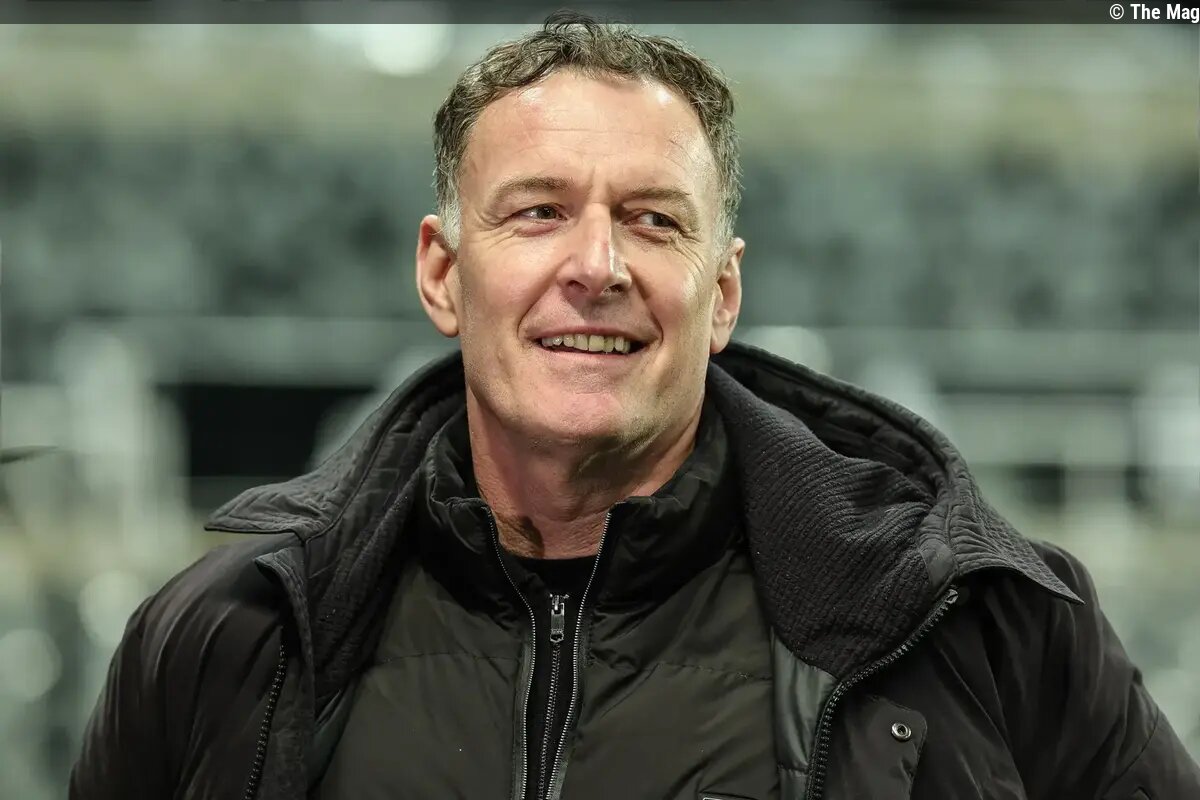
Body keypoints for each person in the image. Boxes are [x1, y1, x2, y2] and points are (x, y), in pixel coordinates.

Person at [70, 13, 1199, 800]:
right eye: (538, 211)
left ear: (723, 295)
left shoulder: (987, 629)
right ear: (443, 275)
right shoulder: (228, 637)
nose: (598, 264)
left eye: (654, 220)